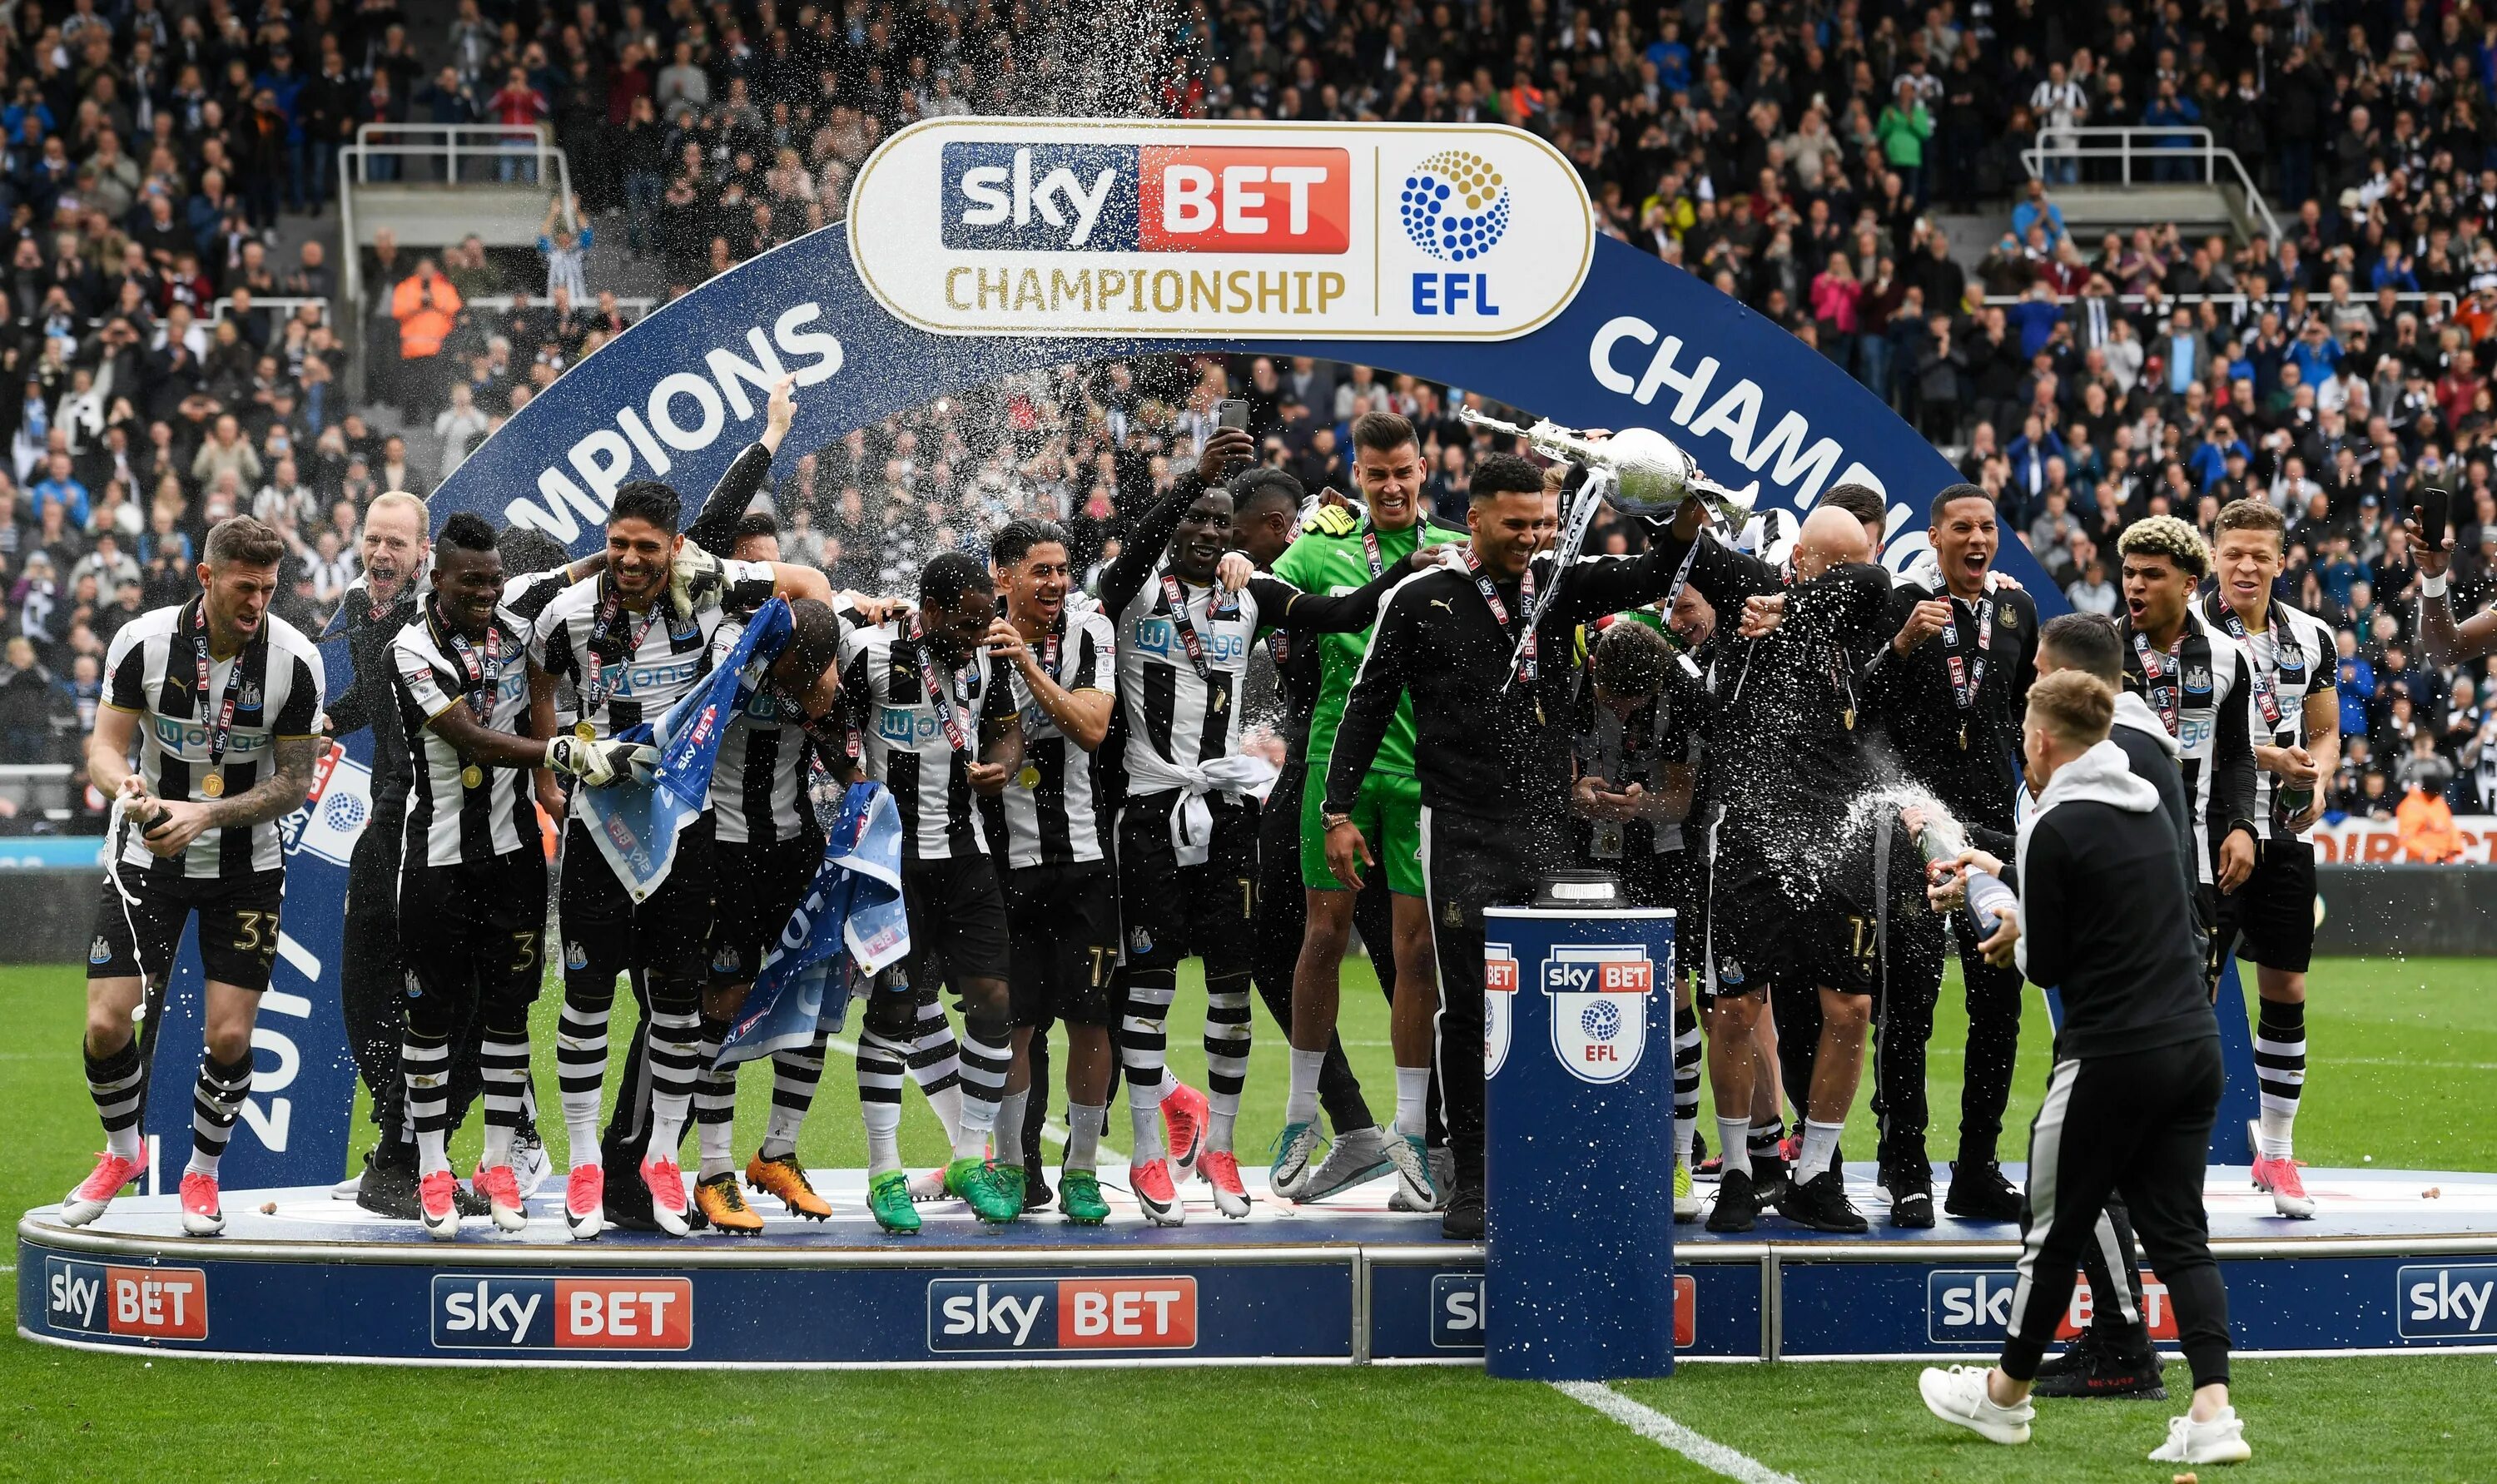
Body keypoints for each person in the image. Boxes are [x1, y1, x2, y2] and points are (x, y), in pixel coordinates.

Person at [1323, 454, 1741, 1239]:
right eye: (1512, 524)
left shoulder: (1559, 585)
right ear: (1473, 519)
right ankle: (1474, 1179)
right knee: (1472, 1008)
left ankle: (1558, 1162)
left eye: (1538, 522)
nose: (1528, 537)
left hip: (1553, 830)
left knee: (1562, 998)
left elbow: (1657, 570)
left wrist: (1684, 509)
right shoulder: (1420, 597)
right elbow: (1368, 702)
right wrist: (1336, 811)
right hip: (1460, 827)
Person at [1918, 670, 2250, 1469]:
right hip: (2192, 1045)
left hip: (2113, 1054)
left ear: (2040, 738)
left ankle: (2003, 1397)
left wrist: (2003, 918)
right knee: (2179, 1234)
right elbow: (2116, 906)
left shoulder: (2054, 820)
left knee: (2051, 1230)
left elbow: (2047, 964)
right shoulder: (2147, 799)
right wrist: (2009, 884)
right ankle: (2213, 1411)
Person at [1097, 425, 1422, 1223]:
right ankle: (1147, 1157)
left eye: (1219, 522)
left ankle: (1223, 1153)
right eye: (1195, 520)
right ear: (1175, 523)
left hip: (1231, 812)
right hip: (1149, 809)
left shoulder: (1250, 593)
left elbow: (1341, 605)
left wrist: (1406, 569)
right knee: (1149, 987)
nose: (1208, 533)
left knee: (1234, 987)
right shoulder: (1136, 591)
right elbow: (1120, 573)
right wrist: (1187, 482)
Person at [526, 480, 832, 1240]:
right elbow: (537, 669)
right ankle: (587, 1163)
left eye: (647, 547)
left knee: (675, 1000)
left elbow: (812, 587)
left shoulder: (712, 592)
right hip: (601, 828)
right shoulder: (567, 614)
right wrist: (544, 768)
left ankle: (664, 1156)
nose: (629, 559)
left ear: (674, 549)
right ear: (607, 538)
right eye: (619, 543)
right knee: (588, 1000)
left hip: (684, 834)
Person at [62, 517, 326, 1236]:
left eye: (270, 588)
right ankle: (120, 1154)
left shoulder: (296, 660)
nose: (259, 602)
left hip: (245, 865)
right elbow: (106, 751)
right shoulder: (142, 642)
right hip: (147, 854)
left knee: (231, 1038)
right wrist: (133, 795)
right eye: (247, 587)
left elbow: (295, 783)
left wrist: (205, 816)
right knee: (105, 1020)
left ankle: (202, 1174)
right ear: (208, 577)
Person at [1271, 411, 1464, 1211]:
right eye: (1375, 473)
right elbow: (1274, 595)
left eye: (1403, 472)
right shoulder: (1320, 544)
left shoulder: (1456, 547)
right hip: (1335, 770)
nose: (1390, 486)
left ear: (1424, 470)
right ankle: (1297, 1116)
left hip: (1421, 773)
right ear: (1357, 471)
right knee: (1322, 933)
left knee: (1417, 955)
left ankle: (1412, 1132)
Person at [386, 513, 585, 1238]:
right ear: (436, 578)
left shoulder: (515, 608)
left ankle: (498, 1163)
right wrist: (560, 754)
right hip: (438, 861)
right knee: (432, 1017)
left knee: (509, 1013)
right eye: (470, 581)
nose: (485, 593)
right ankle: (434, 1167)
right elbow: (470, 737)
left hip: (515, 862)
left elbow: (587, 568)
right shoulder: (410, 648)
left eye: (494, 580)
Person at [1863, 484, 2038, 1228]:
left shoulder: (2016, 610)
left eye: (1988, 528)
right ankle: (1904, 1169)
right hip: (1916, 834)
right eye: (1962, 527)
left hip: (1993, 838)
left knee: (1998, 1008)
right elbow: (1860, 712)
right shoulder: (1900, 602)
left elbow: (2030, 708)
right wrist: (1902, 644)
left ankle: (1975, 1168)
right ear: (1933, 536)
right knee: (1909, 1007)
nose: (1978, 539)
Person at [1235, 467, 1407, 1204]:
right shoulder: (1275, 581)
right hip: (1316, 768)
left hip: (1354, 770)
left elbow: (1350, 612)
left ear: (1275, 528)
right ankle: (1365, 1126)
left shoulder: (1323, 558)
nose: (1224, 549)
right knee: (1284, 948)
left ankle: (1427, 1134)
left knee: (1401, 955)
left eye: (1238, 537)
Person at [840, 551, 1025, 1232]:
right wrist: (852, 773)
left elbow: (1008, 734)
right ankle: (884, 1169)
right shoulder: (871, 651)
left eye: (988, 620)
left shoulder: (990, 656)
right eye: (971, 622)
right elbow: (831, 722)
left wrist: (1001, 769)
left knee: (994, 999)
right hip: (892, 862)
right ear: (935, 611)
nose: (981, 632)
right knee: (894, 1007)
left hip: (966, 855)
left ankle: (970, 1156)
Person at [2203, 499, 2340, 1218]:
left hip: (2285, 837)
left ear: (2281, 560)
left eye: (2261, 554)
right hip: (2210, 829)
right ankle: (2166, 1156)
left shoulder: (2312, 635)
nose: (2247, 566)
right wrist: (2270, 759)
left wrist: (2314, 778)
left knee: (2286, 990)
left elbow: (2324, 733)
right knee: (2194, 994)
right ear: (2214, 556)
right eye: (2234, 554)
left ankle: (2278, 1154)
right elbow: (2183, 735)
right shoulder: (2188, 633)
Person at [982, 518, 1119, 1225]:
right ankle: (1009, 1167)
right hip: (1007, 867)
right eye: (1041, 570)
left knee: (1092, 1019)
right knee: (1014, 1024)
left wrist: (1029, 664)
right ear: (1003, 576)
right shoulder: (975, 642)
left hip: (1087, 865)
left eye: (1063, 570)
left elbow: (1093, 727)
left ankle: (1085, 1171)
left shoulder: (1091, 634)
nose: (1058, 583)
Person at [318, 489, 436, 1216]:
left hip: (439, 814)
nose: (382, 553)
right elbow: (372, 693)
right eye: (373, 539)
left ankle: (417, 1143)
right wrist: (328, 716)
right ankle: (398, 1130)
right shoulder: (364, 612)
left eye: (397, 542)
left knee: (435, 984)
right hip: (386, 811)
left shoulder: (441, 614)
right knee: (363, 982)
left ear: (423, 553)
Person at [1568, 615, 1708, 1219]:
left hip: (1667, 854)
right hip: (1580, 858)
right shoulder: (1564, 675)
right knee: (1581, 994)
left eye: (1634, 704)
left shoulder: (1686, 692)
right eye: (1611, 701)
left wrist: (1640, 805)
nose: (1621, 714)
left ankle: (1679, 1160)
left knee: (1675, 997)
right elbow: (1543, 770)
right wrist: (1574, 792)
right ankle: (1591, 1146)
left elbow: (1682, 796)